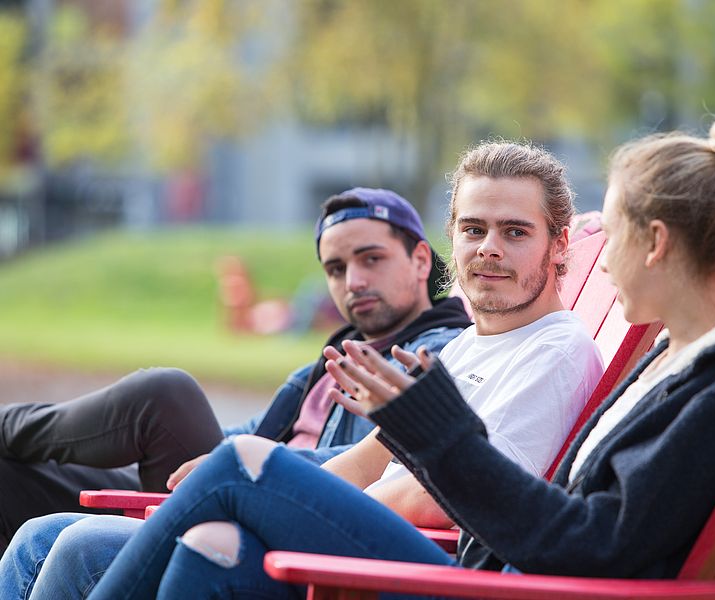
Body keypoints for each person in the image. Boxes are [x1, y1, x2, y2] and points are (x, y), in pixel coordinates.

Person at [75, 115, 715, 598]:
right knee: (209, 545)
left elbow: (590, 544)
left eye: (606, 235)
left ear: (657, 242)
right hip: (487, 572)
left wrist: (438, 432)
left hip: (489, 583)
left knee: (242, 466)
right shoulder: (673, 365)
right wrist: (427, 429)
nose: (598, 262)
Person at [2, 141, 608, 598]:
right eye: (474, 229)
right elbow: (372, 457)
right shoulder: (470, 346)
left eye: (515, 232)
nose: (489, 248)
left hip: (434, 566)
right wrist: (287, 503)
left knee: (238, 466)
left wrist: (288, 507)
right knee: (55, 538)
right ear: (452, 238)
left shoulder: (555, 352)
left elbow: (447, 499)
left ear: (559, 246)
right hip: (373, 537)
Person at [0, 187, 473, 553]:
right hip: (226, 485)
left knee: (165, 398)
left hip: (277, 510)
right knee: (14, 476)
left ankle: (9, 424)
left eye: (371, 258)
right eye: (335, 268)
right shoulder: (326, 366)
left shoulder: (435, 354)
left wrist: (253, 462)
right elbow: (246, 433)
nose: (354, 281)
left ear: (419, 260)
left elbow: (392, 463)